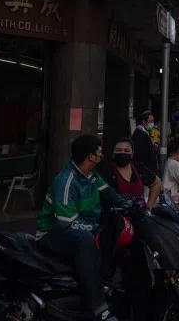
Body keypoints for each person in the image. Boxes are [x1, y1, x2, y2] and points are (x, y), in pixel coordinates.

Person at [36, 134, 126, 321]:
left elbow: (110, 195)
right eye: (99, 152)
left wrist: (134, 207)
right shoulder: (67, 181)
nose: (102, 156)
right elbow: (66, 224)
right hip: (52, 233)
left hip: (76, 228)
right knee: (87, 240)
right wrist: (96, 229)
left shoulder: (92, 176)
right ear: (90, 156)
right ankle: (97, 307)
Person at [98, 137, 161, 209]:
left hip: (140, 217)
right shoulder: (106, 171)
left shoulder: (139, 168)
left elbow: (156, 183)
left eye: (127, 151)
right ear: (113, 153)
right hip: (116, 218)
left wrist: (149, 207)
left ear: (132, 154)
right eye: (118, 150)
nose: (122, 153)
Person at [131, 111, 158, 175]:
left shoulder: (144, 133)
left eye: (153, 121)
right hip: (145, 173)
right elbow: (141, 156)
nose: (152, 123)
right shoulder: (140, 134)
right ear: (143, 121)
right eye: (151, 121)